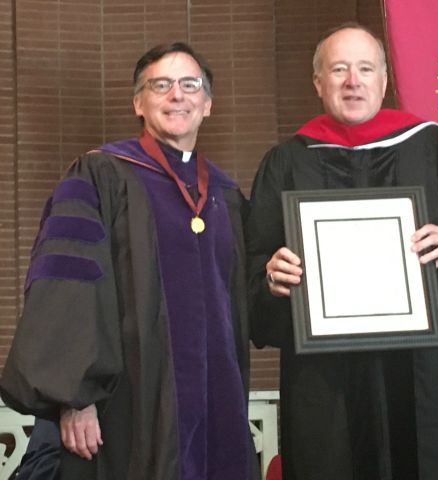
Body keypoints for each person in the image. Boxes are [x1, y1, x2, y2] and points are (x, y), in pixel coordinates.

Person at [246, 22, 438, 480]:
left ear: (384, 80)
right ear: (318, 83)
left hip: (426, 370)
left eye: (365, 68)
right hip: (327, 382)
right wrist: (270, 278)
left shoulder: (431, 146)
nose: (353, 81)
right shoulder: (288, 162)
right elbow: (252, 267)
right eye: (339, 69)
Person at [0, 42, 259, 480]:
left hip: (217, 410)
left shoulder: (226, 195)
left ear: (208, 103)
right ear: (139, 102)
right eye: (161, 85)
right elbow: (66, 289)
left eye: (189, 84)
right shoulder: (101, 175)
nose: (177, 95)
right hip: (125, 411)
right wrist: (76, 398)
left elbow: (247, 300)